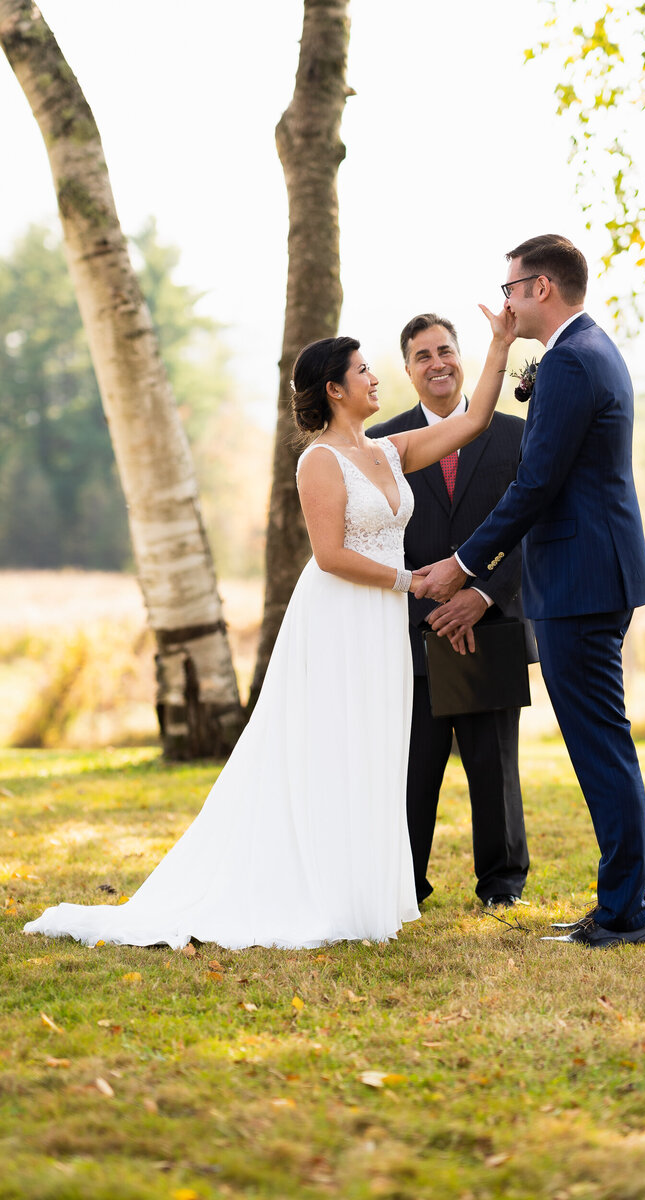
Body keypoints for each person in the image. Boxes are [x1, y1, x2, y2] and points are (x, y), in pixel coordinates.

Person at [24, 305, 515, 951]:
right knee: (331, 745)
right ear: (335, 389)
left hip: (380, 623)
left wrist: (500, 344)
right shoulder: (319, 462)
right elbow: (332, 556)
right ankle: (312, 888)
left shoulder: (389, 452)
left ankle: (363, 889)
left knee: (374, 746)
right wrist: (410, 581)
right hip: (340, 615)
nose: (375, 379)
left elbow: (475, 419)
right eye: (364, 371)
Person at [416, 234, 645, 949]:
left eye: (514, 287)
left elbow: (535, 483)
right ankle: (621, 902)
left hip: (580, 581)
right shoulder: (590, 351)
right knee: (602, 744)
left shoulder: (570, 364)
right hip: (594, 573)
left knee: (600, 747)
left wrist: (464, 562)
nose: (508, 299)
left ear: (542, 289)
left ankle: (623, 913)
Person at [368, 313, 531, 910]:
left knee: (494, 767)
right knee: (413, 771)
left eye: (445, 350)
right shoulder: (384, 443)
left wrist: (481, 595)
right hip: (412, 627)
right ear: (408, 369)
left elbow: (531, 529)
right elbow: (377, 536)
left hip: (491, 622)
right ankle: (404, 885)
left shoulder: (514, 436)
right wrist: (430, 598)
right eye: (422, 355)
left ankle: (503, 885)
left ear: (462, 357)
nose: (437, 363)